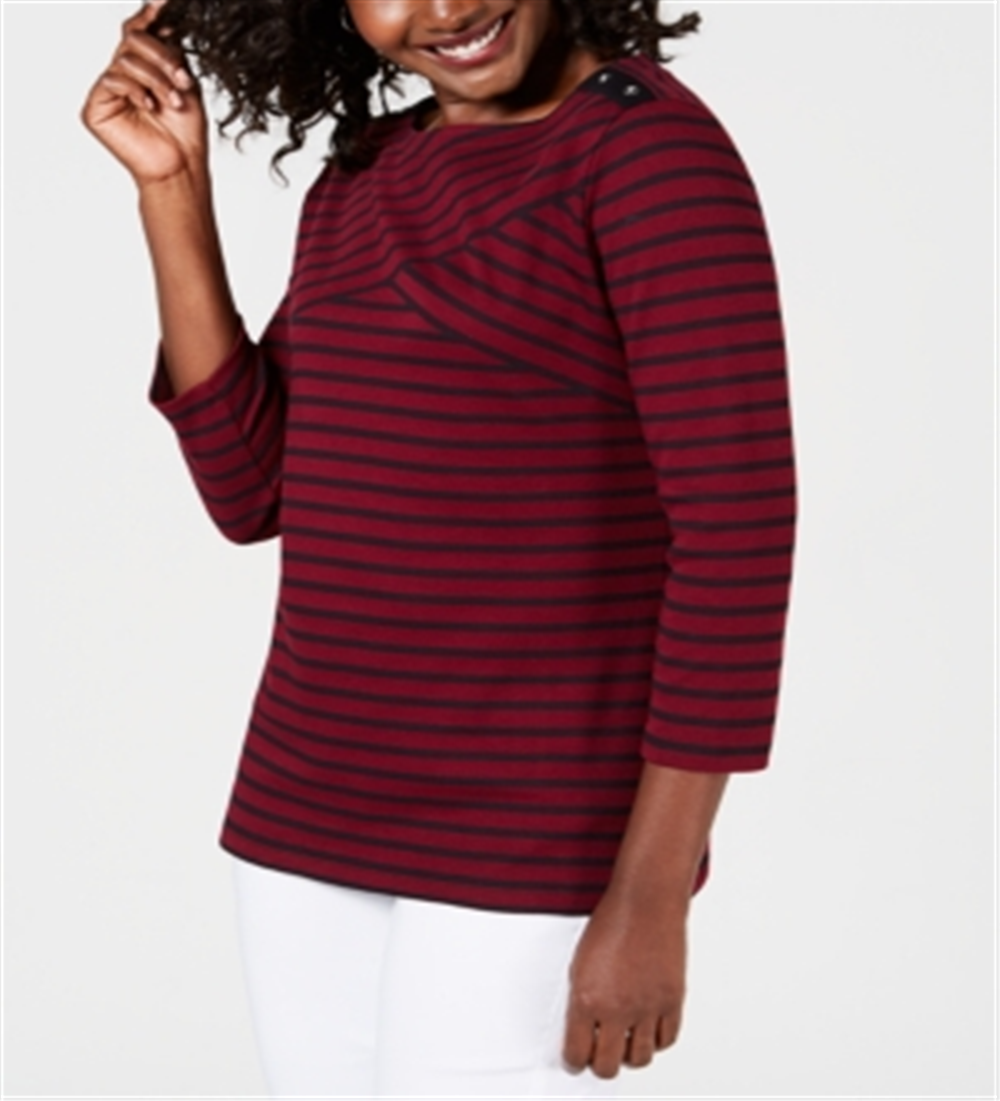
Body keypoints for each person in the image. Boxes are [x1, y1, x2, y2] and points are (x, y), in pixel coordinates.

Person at [81, 0, 795, 1096]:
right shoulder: (371, 171)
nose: (449, 6)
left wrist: (652, 894)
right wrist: (172, 190)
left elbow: (736, 536)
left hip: (535, 828)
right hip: (308, 809)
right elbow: (251, 489)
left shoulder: (644, 154)